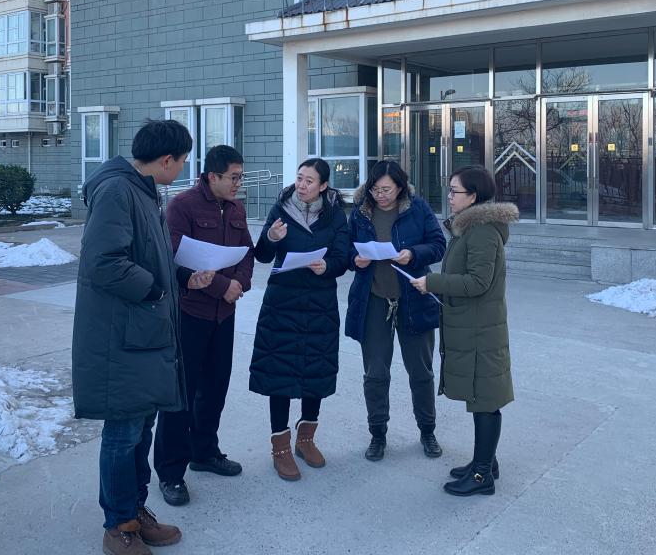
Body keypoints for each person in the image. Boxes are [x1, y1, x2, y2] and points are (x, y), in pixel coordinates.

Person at [72, 119, 214, 555]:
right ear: (166, 159)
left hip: (144, 334)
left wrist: (180, 279)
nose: (184, 168)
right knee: (123, 432)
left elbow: (149, 255)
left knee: (140, 428)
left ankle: (135, 510)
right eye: (183, 160)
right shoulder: (118, 190)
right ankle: (118, 525)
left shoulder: (142, 190)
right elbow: (104, 262)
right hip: (122, 336)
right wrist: (154, 289)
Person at [154, 145, 254, 507]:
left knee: (214, 388)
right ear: (212, 176)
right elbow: (173, 257)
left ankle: (205, 451)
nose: (238, 184)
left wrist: (239, 283)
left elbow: (246, 252)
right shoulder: (182, 206)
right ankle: (170, 472)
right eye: (233, 177)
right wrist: (221, 286)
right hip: (190, 313)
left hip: (223, 315)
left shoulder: (236, 208)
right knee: (181, 395)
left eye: (241, 177)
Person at [409, 165, 518, 498]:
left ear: (473, 196)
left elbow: (478, 282)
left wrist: (433, 283)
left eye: (455, 191)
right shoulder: (468, 228)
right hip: (473, 326)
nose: (450, 196)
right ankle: (485, 462)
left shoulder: (482, 231)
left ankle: (482, 476)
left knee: (484, 400)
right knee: (480, 398)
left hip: (480, 331)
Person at [249, 157, 350, 481]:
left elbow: (343, 256)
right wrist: (272, 238)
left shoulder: (335, 215)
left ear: (323, 185)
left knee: (315, 369)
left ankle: (306, 439)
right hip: (282, 302)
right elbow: (263, 255)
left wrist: (328, 266)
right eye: (299, 178)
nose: (302, 185)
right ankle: (280, 448)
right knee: (279, 372)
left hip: (319, 304)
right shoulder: (281, 209)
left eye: (309, 181)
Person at [346, 160, 446, 462]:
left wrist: (413, 254)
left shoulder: (417, 208)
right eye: (375, 190)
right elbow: (346, 249)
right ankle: (377, 434)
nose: (380, 196)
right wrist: (355, 260)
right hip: (373, 299)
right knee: (375, 373)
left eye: (387, 190)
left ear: (400, 187)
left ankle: (427, 430)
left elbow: (438, 244)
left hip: (413, 297)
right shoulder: (361, 211)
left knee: (420, 371)